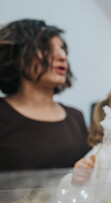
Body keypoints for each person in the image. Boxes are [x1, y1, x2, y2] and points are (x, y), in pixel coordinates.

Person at [0, 19, 90, 171]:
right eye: (46, 48)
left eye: (63, 49)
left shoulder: (76, 117)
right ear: (17, 58)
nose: (62, 56)